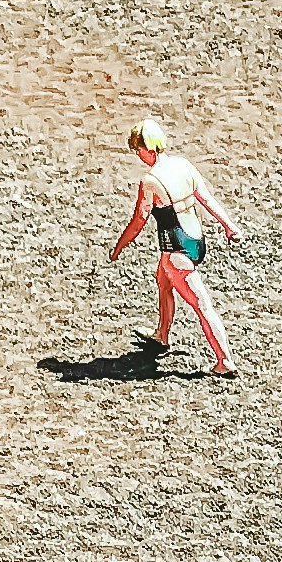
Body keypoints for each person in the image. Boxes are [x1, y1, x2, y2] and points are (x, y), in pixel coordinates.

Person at [110, 116, 240, 373]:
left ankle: (225, 360)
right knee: (162, 278)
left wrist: (119, 247)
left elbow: (139, 221)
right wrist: (229, 225)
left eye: (138, 150)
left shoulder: (151, 181)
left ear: (148, 148)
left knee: (201, 304)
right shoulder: (183, 165)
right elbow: (206, 198)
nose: (138, 156)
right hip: (196, 240)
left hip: (176, 249)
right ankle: (162, 335)